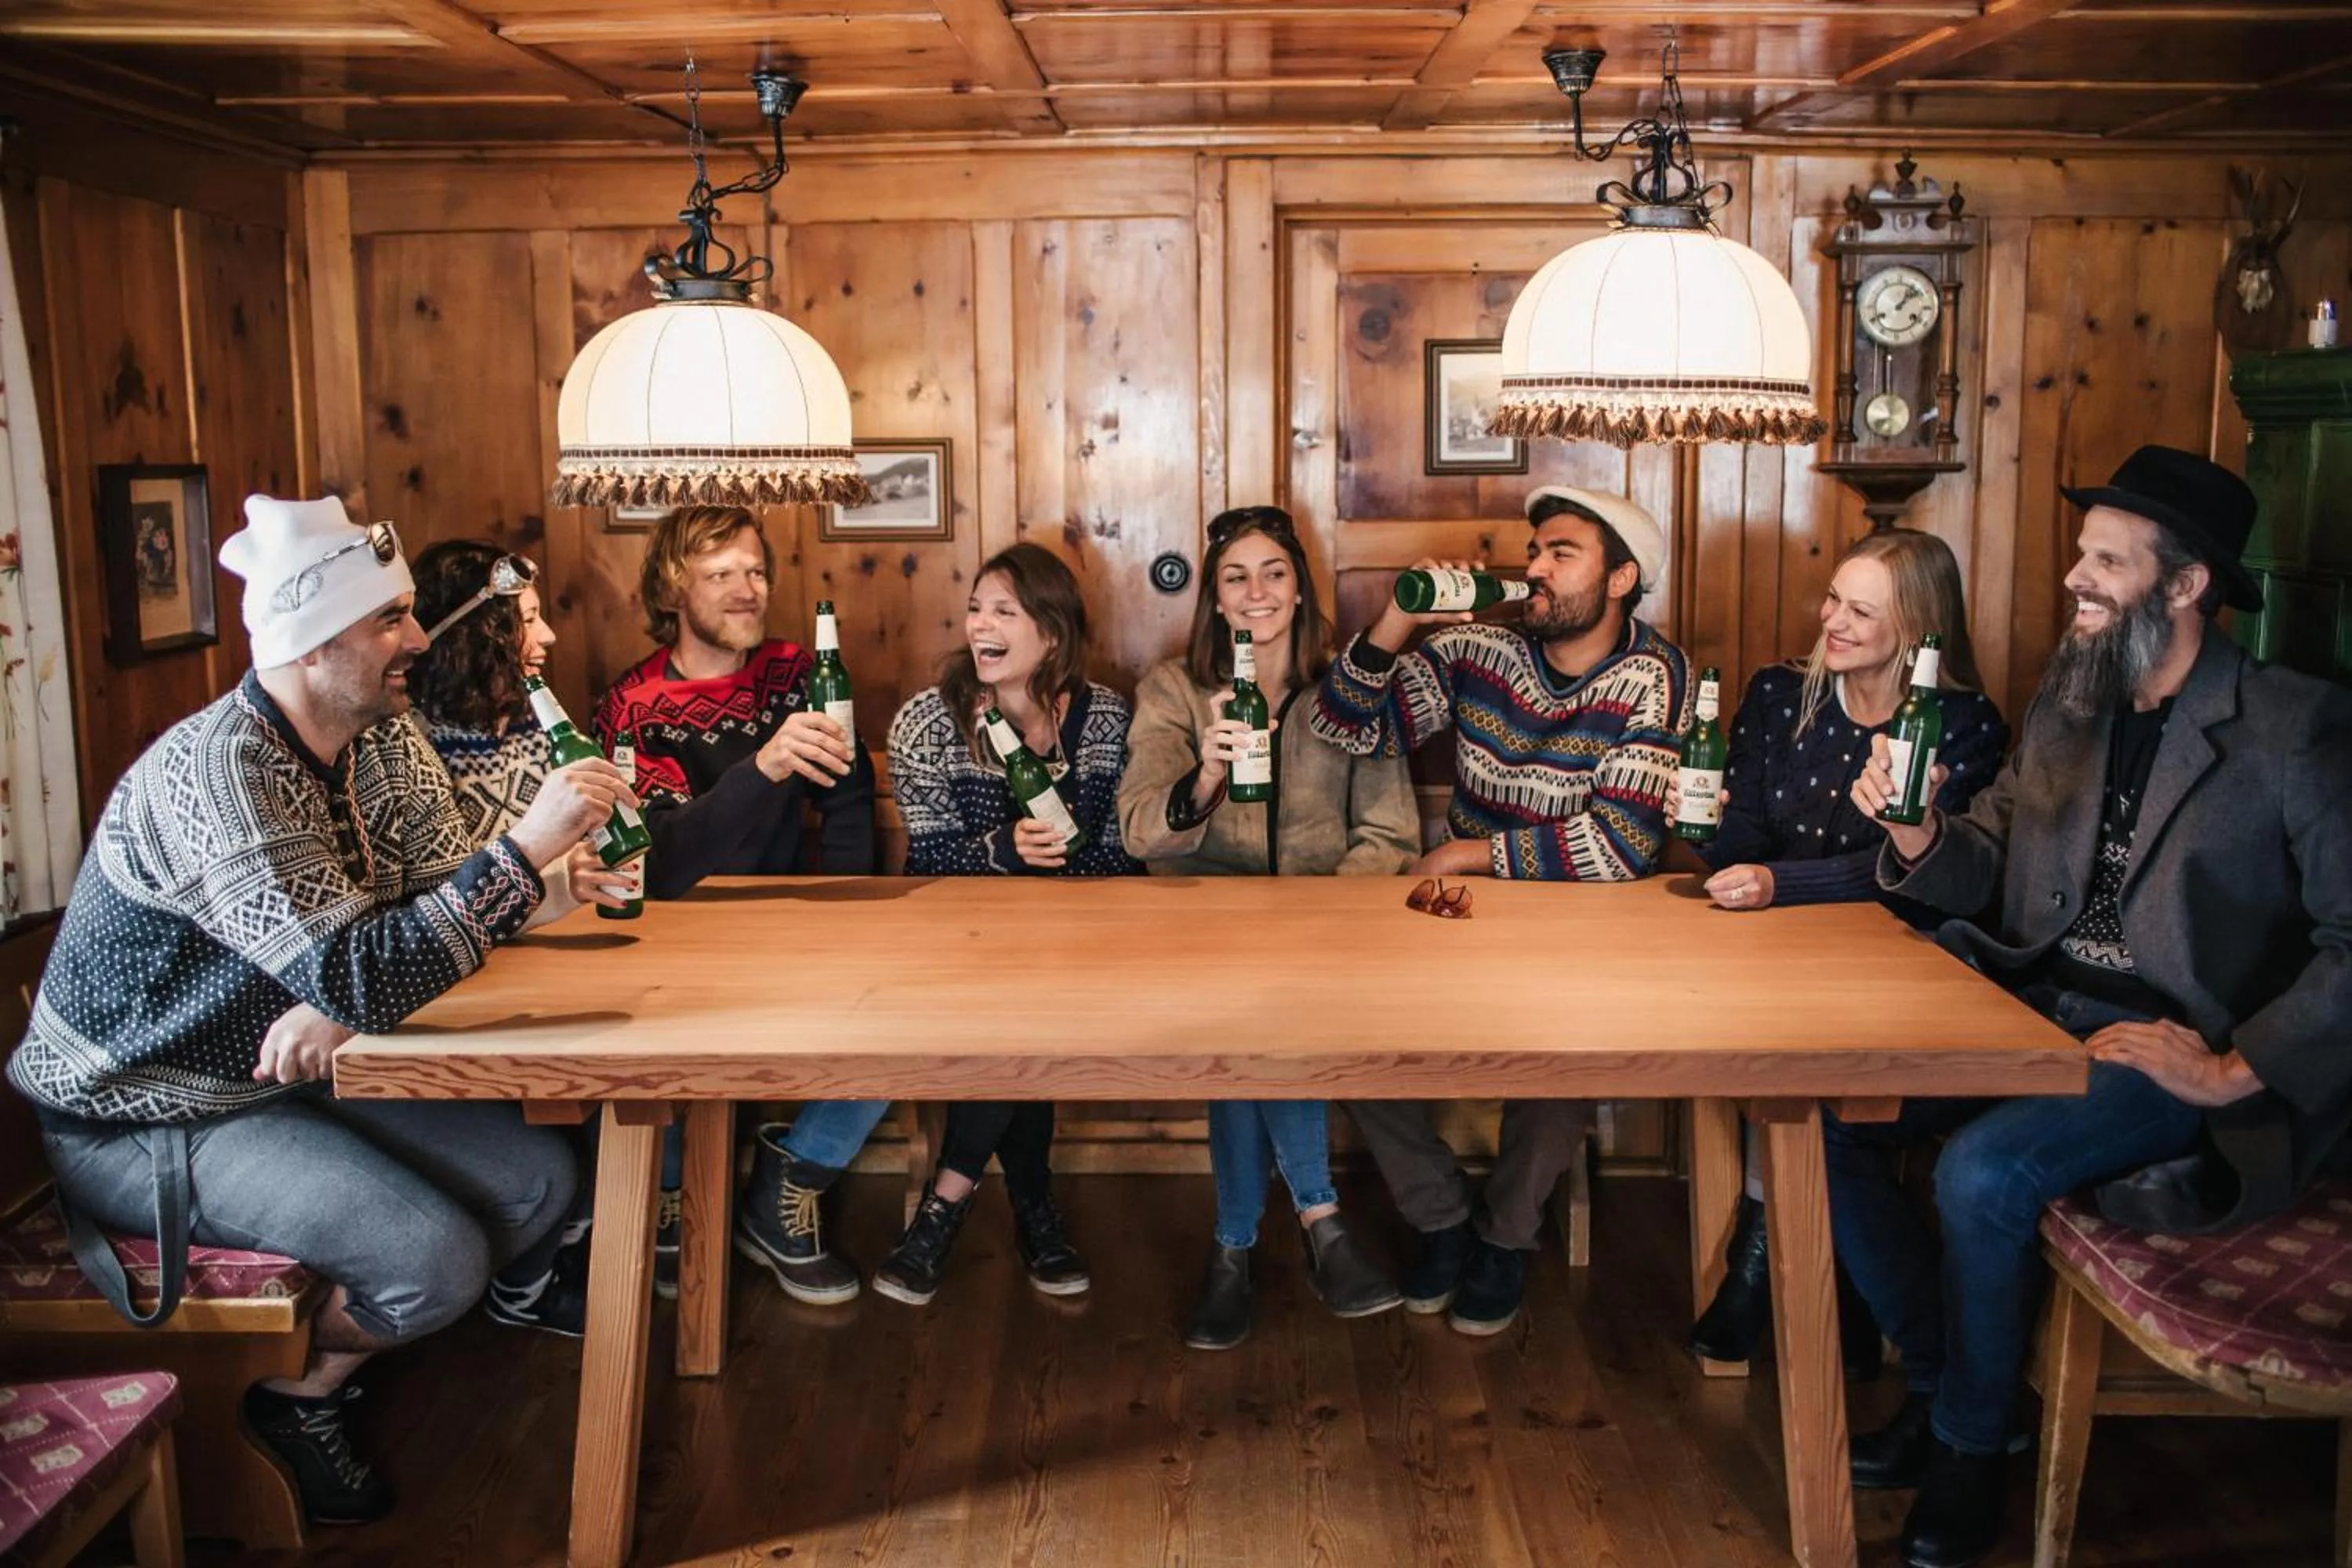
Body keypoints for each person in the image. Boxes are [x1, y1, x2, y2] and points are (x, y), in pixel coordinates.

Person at [6, 495, 632, 1526]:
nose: (419, 640)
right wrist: (526, 850)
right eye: (389, 619)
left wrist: (549, 886)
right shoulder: (220, 773)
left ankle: (312, 1376)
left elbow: (428, 898)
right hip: (140, 1114)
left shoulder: (372, 736)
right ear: (309, 644)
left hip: (269, 1073)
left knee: (536, 1180)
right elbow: (361, 972)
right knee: (434, 1262)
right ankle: (286, 1394)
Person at [1830, 446, 2352, 1568]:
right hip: (2031, 1003)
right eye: (2081, 554)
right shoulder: (2071, 701)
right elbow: (1985, 858)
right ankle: (1951, 1387)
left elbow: (2350, 941)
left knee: (1983, 1173)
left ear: (2187, 584)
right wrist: (1916, 831)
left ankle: (1967, 1451)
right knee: (1833, 1113)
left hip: (2166, 1044)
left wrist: (2231, 1068)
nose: (2077, 577)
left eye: (2108, 561)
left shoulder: (2292, 725)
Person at [1312, 485, 1687, 1334]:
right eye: (1535, 551)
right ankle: (1441, 1216)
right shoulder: (1479, 647)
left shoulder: (1655, 675)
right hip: (1461, 912)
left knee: (1571, 1042)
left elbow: (1619, 847)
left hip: (1581, 921)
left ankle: (1505, 1237)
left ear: (1621, 578)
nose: (1536, 568)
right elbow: (1345, 727)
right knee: (1350, 1022)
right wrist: (1401, 619)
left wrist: (1464, 853)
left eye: (1563, 553)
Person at [1681, 529, 2009, 1372]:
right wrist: (1704, 823)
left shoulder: (1960, 725)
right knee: (1750, 1035)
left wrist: (1779, 883)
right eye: (1833, 598)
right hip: (1768, 946)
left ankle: (1777, 1254)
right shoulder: (1779, 694)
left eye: (1862, 611)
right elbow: (1743, 838)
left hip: (1900, 955)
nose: (1833, 620)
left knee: (1820, 1071)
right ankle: (1799, 1261)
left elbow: (1916, 874)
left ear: (1920, 629)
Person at [1118, 504, 1414, 1348]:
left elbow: (1390, 835)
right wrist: (1206, 778)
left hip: (1323, 931)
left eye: (1274, 573)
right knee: (1249, 1006)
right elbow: (1139, 830)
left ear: (1300, 588)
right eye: (1237, 577)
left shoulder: (1354, 688)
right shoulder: (1173, 690)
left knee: (1265, 1012)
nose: (1258, 592)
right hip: (1202, 931)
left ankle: (1233, 1248)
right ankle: (1322, 1220)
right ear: (1214, 598)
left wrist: (1318, 921)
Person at [592, 504, 889, 1306]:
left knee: (900, 1014)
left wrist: (849, 914)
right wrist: (761, 769)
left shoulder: (798, 673)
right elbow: (660, 859)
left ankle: (787, 1183)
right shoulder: (632, 706)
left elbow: (849, 800)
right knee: (639, 1030)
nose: (747, 589)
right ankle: (670, 1192)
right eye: (721, 573)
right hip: (672, 939)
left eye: (756, 571)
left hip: (789, 928)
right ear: (672, 589)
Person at [876, 543, 1139, 1304]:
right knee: (1016, 1009)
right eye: (975, 609)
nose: (980, 625)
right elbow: (927, 862)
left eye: (1004, 611)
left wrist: (1056, 877)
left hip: (1084, 947)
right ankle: (1033, 1207)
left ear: (1051, 634)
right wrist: (1005, 849)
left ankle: (946, 1204)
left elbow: (1121, 856)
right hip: (964, 952)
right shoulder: (929, 721)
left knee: (1032, 1003)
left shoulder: (1104, 718)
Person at [405, 539, 639, 1334]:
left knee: (622, 1097)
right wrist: (552, 881)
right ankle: (530, 1280)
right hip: (440, 995)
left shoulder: (537, 728)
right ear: (475, 633)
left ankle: (547, 1268)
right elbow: (442, 897)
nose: (548, 637)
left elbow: (544, 876)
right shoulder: (409, 745)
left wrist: (578, 878)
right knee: (570, 1125)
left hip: (526, 973)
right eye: (526, 621)